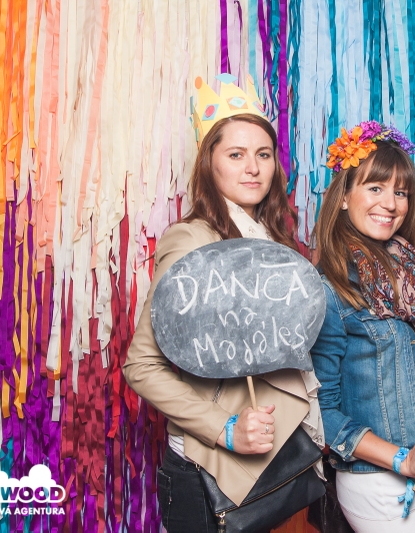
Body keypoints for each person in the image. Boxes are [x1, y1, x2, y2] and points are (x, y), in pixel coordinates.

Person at [123, 74, 322, 533]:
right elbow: (141, 366)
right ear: (209, 163)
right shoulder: (191, 241)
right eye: (236, 155)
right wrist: (224, 428)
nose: (252, 168)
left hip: (276, 465)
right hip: (208, 475)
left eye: (263, 154)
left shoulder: (276, 243)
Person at [310, 121, 415, 533]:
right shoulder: (329, 290)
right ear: (343, 196)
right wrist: (401, 459)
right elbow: (320, 411)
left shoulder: (410, 273)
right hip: (381, 485)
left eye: (400, 192)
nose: (390, 204)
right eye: (375, 188)